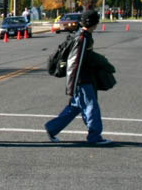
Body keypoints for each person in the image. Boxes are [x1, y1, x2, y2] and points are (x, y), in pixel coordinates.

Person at [44, 10, 113, 146]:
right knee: (91, 107)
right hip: (81, 79)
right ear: (93, 23)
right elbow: (75, 62)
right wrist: (72, 85)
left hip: (80, 79)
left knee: (74, 108)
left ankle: (52, 128)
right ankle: (95, 136)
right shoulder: (83, 38)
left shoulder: (82, 35)